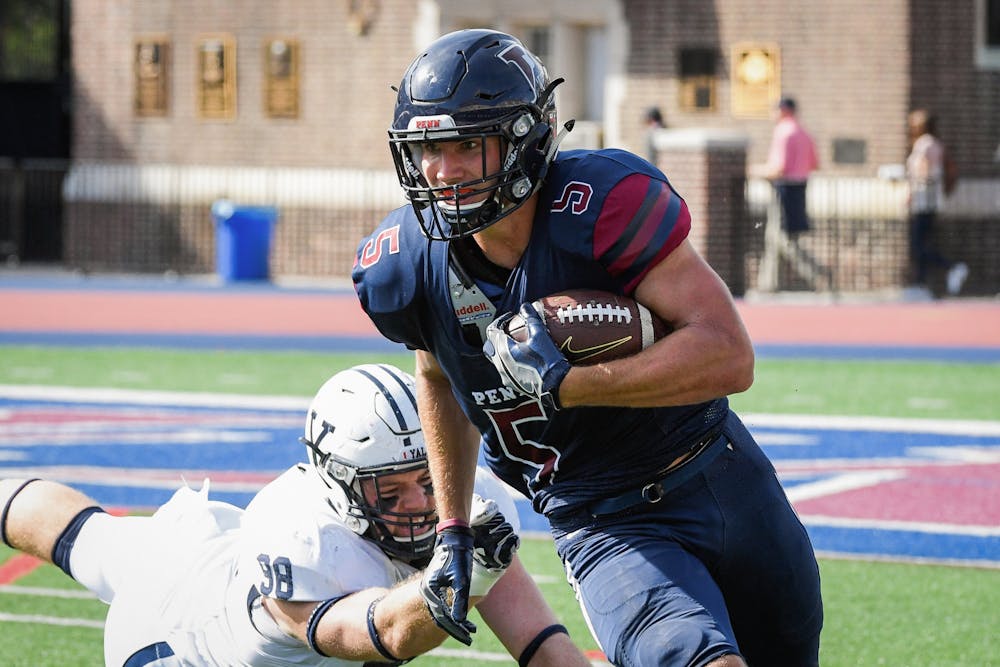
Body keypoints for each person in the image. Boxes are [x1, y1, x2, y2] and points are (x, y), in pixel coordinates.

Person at [353, 29, 823, 667]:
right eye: (430, 147)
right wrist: (453, 529)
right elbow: (439, 376)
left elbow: (728, 355)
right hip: (601, 519)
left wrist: (571, 383)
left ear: (524, 140)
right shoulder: (407, 264)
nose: (444, 170)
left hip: (722, 475)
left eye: (468, 143)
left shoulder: (600, 206)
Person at [0, 363, 590, 667]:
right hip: (175, 642)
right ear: (338, 484)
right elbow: (384, 632)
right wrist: (460, 576)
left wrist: (472, 553)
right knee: (95, 547)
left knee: (92, 540)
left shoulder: (467, 499)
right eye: (389, 492)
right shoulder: (302, 538)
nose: (417, 505)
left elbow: (542, 644)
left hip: (209, 550)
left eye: (428, 480)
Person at [905, 108, 968, 295]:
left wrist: (911, 188)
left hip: (924, 201)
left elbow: (923, 173)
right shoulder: (935, 143)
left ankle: (951, 267)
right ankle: (921, 283)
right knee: (922, 244)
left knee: (918, 245)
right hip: (930, 201)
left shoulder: (924, 145)